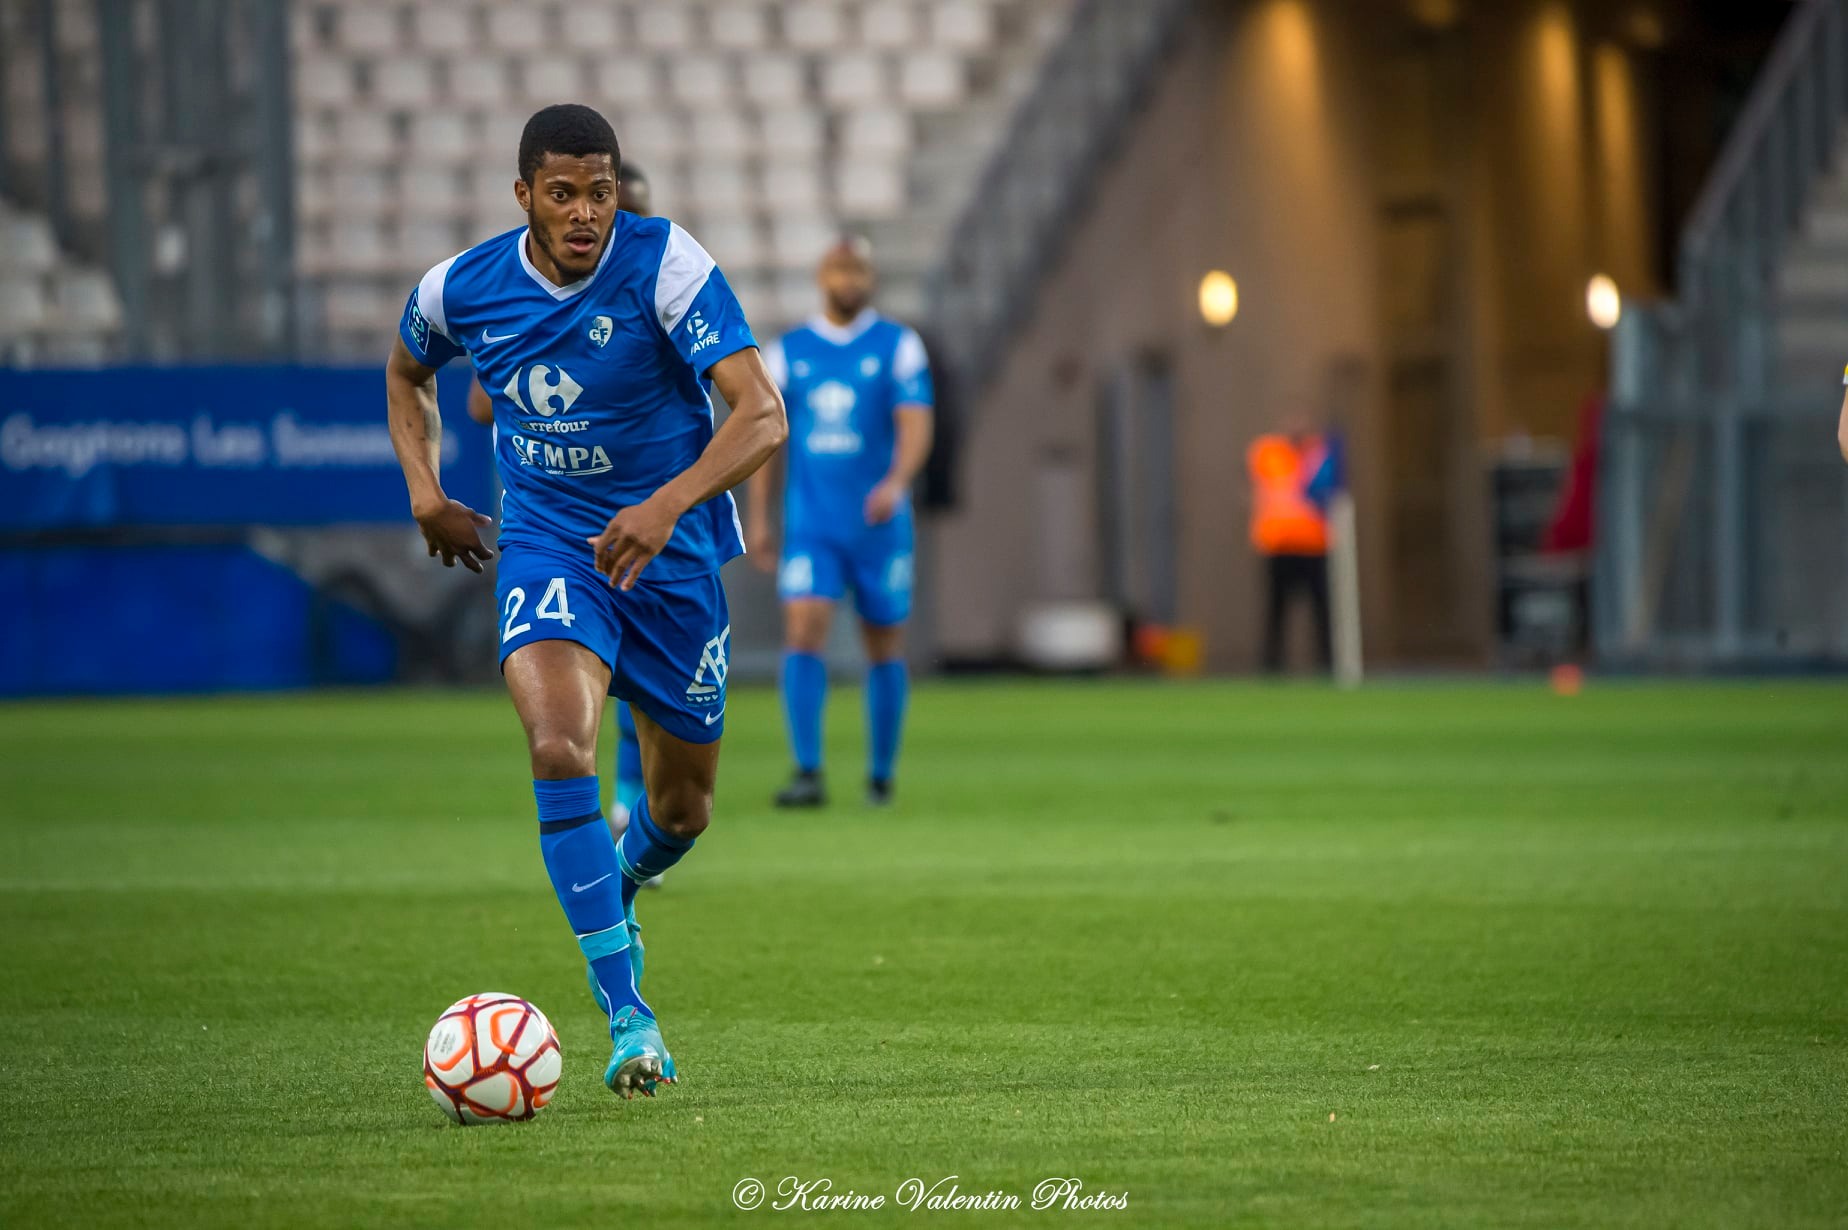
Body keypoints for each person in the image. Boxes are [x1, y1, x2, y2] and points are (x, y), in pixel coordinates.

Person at [385, 104, 785, 1099]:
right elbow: (407, 372)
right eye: (561, 193)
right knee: (560, 745)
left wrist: (666, 503)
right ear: (523, 195)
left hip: (672, 556)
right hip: (552, 544)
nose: (584, 213)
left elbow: (762, 415)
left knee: (683, 808)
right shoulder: (458, 287)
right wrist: (426, 494)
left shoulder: (668, 265)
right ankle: (629, 1016)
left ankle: (624, 877)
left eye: (599, 193)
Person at [468, 162, 654, 848]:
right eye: (570, 202)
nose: (594, 223)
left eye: (609, 204)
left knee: (647, 693)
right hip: (555, 525)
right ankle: (618, 810)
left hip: (651, 524)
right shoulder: (519, 297)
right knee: (569, 710)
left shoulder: (663, 287)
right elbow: (480, 399)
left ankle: (637, 809)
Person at [747, 235, 934, 807]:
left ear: (870, 279)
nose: (848, 281)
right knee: (803, 631)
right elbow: (767, 440)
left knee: (884, 642)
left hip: (878, 526)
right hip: (812, 526)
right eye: (839, 271)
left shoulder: (899, 346)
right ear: (821, 277)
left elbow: (916, 425)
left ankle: (880, 777)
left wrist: (897, 483)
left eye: (857, 272)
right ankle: (808, 772)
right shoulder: (788, 352)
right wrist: (760, 517)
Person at [1248, 420, 1333, 672]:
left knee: (1321, 608)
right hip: (1279, 543)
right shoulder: (1269, 453)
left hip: (1312, 543)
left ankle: (1326, 663)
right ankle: (1272, 664)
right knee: (1277, 609)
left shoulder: (1318, 455)